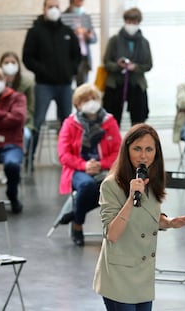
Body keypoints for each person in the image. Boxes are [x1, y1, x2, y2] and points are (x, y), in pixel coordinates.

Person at [92, 123, 185, 310]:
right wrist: (131, 197)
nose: (143, 155)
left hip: (143, 275)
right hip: (119, 275)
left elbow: (146, 216)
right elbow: (112, 235)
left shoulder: (152, 180)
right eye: (137, 149)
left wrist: (169, 222)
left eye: (149, 149)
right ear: (127, 150)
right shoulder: (110, 185)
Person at [57, 84, 121, 246]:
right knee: (86, 185)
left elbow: (118, 152)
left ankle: (75, 214)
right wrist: (84, 165)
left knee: (115, 187)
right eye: (86, 100)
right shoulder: (70, 123)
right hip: (77, 169)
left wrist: (101, 164)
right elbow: (63, 154)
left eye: (94, 98)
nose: (91, 102)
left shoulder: (110, 121)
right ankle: (78, 225)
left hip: (104, 168)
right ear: (77, 104)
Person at [22, 0, 81, 169]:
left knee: (67, 123)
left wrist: (71, 70)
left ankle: (68, 160)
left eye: (56, 6)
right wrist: (42, 70)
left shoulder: (67, 31)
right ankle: (29, 160)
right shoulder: (35, 31)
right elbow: (28, 58)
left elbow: (77, 56)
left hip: (64, 85)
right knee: (37, 121)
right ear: (44, 9)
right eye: (50, 7)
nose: (54, 10)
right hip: (43, 85)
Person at [102, 7, 152, 126]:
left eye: (134, 22)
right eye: (129, 22)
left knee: (139, 118)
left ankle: (136, 143)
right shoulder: (114, 40)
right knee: (112, 119)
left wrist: (135, 67)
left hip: (136, 83)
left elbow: (148, 65)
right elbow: (106, 62)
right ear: (125, 22)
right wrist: (118, 66)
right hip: (116, 84)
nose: (131, 25)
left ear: (139, 22)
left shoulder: (144, 42)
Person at [0, 67, 26, 213]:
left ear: (5, 79)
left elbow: (18, 118)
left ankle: (12, 195)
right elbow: (10, 117)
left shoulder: (18, 97)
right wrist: (4, 114)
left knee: (12, 165)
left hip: (12, 143)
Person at [0, 51, 35, 171]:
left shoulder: (27, 83)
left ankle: (14, 164)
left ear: (18, 65)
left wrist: (20, 121)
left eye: (13, 62)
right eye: (6, 62)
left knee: (25, 134)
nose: (10, 65)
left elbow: (30, 108)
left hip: (22, 123)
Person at [63, 0, 97, 86]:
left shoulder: (86, 17)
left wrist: (88, 35)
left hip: (84, 58)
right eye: (79, 2)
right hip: (69, 59)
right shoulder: (64, 17)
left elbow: (95, 39)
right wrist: (73, 34)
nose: (81, 4)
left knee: (83, 90)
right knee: (67, 89)